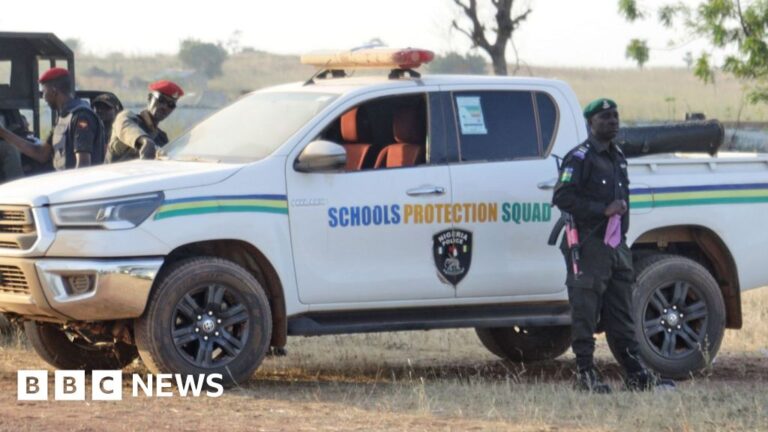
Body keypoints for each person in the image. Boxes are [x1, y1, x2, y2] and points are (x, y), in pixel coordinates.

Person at [552, 98, 675, 393]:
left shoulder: (618, 156)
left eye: (616, 115)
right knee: (585, 310)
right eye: (605, 117)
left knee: (621, 312)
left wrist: (621, 234)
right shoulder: (580, 158)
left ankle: (635, 373)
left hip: (616, 245)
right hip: (588, 245)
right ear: (590, 123)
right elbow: (562, 198)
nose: (613, 121)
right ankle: (585, 374)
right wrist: (601, 209)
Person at [0, 67, 104, 170]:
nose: (44, 97)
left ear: (54, 91)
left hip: (76, 184)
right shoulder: (63, 117)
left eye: (44, 92)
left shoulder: (81, 116)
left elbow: (83, 164)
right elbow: (41, 154)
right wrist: (3, 133)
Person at [106, 80, 183, 163]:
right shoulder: (128, 119)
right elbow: (125, 125)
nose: (165, 107)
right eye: (161, 100)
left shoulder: (162, 138)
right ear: (149, 98)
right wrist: (144, 140)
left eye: (171, 104)